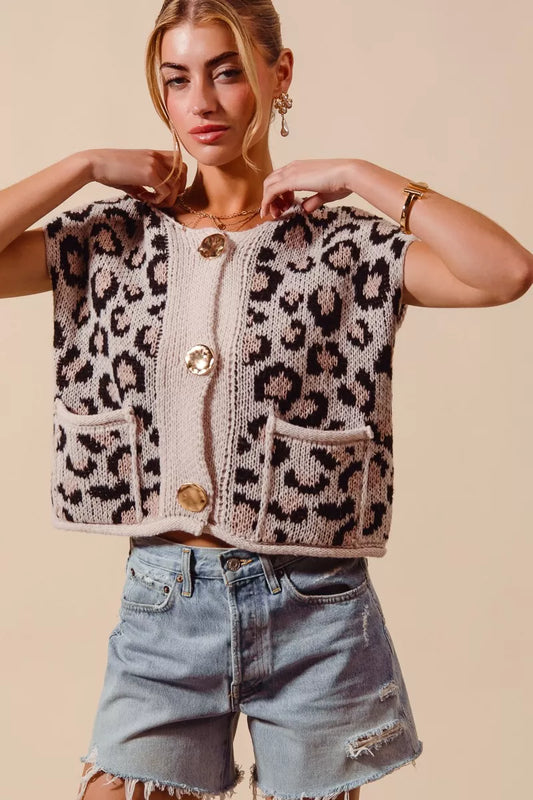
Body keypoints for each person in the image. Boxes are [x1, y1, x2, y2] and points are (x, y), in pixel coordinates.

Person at [1, 1, 532, 799]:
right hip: (165, 602)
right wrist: (81, 166)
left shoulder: (343, 245)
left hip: (315, 609)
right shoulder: (111, 237)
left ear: (279, 74)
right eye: (177, 79)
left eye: (227, 72)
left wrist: (358, 176)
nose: (202, 102)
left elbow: (505, 272)